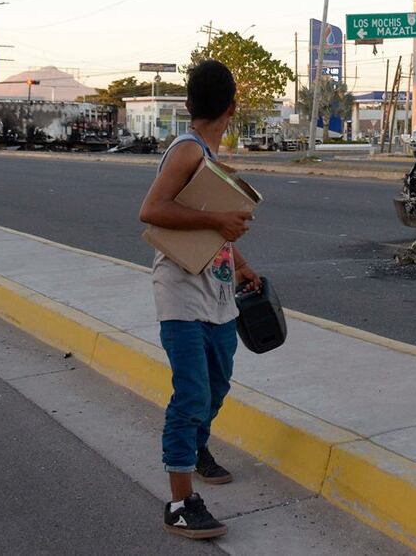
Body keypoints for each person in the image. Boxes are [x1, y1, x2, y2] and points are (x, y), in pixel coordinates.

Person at [139, 59, 259, 540]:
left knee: (217, 384)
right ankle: (180, 503)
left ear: (189, 105)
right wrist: (217, 224)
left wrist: (242, 261)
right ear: (232, 107)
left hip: (219, 291)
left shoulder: (208, 156)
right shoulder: (187, 152)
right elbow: (151, 211)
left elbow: (212, 221)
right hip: (181, 294)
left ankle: (197, 448)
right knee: (191, 394)